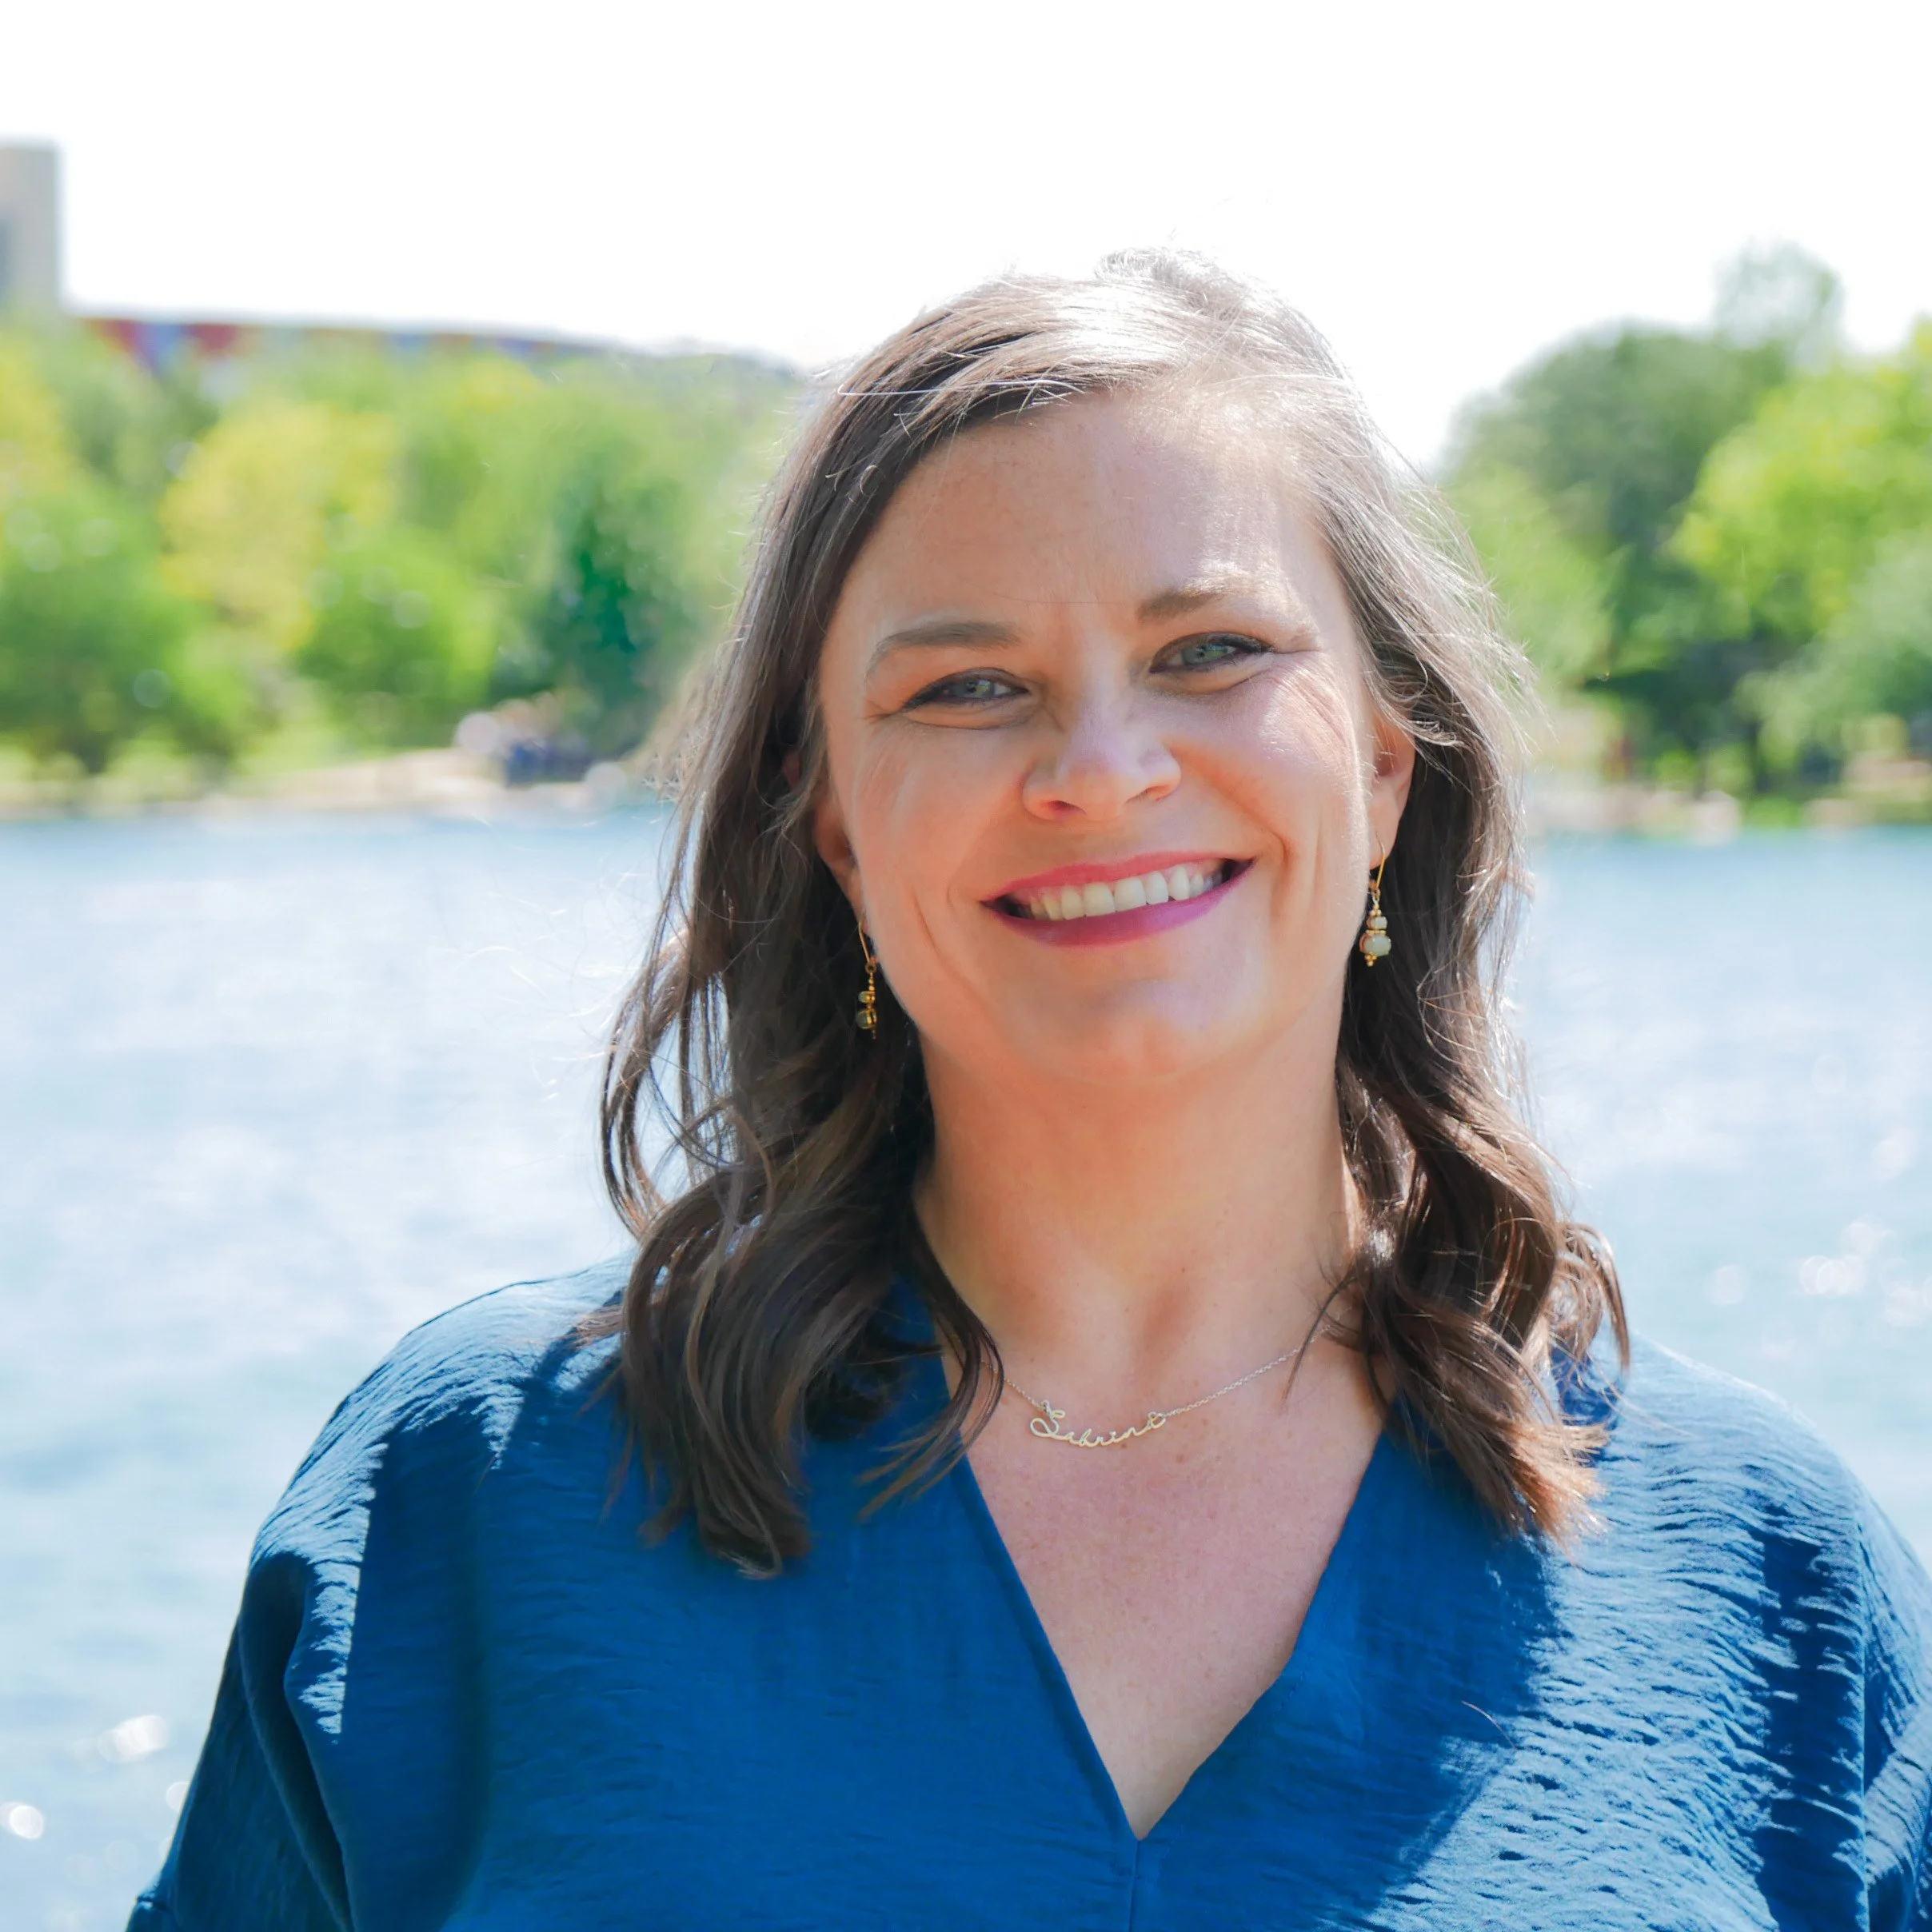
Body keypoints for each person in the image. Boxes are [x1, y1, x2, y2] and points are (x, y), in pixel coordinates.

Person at [132, 253, 1932, 1930]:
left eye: (1208, 652)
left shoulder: (1766, 1575)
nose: (1097, 767)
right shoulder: (475, 1499)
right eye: (966, 684)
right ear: (831, 821)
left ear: (1381, 769)